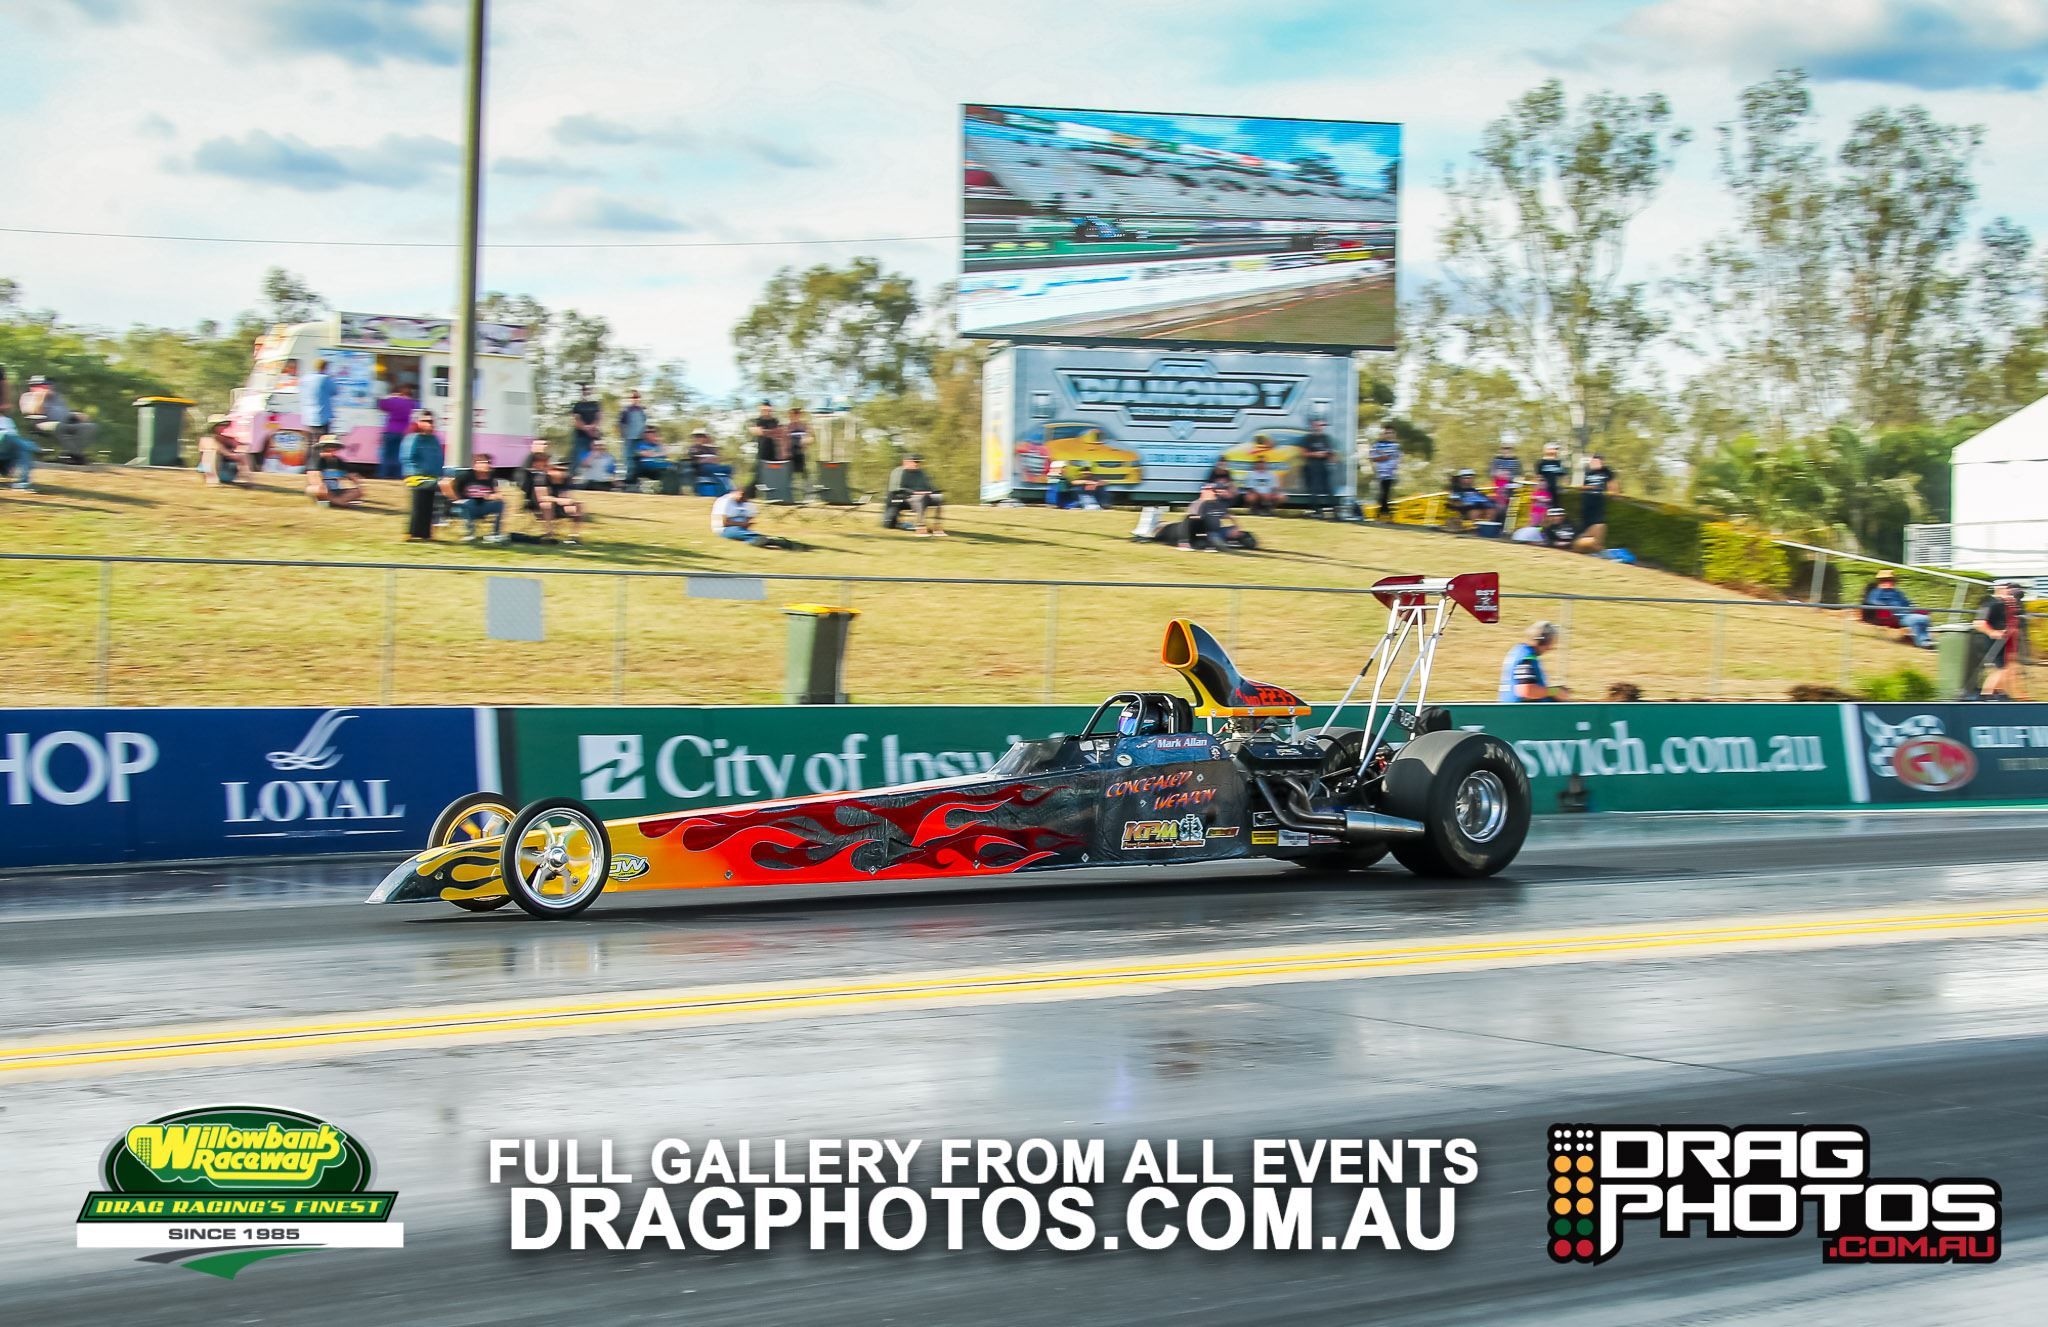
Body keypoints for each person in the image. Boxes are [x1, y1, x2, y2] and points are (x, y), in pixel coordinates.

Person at [19, 375, 97, 464]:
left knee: (90, 427)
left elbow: (64, 411)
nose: (45, 388)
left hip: (65, 423)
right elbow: (32, 412)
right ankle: (77, 456)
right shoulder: (27, 397)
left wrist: (75, 414)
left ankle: (70, 454)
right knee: (59, 427)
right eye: (40, 386)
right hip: (42, 424)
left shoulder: (57, 397)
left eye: (46, 386)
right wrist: (40, 397)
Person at [520, 442, 584, 544]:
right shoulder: (541, 478)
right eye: (558, 469)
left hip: (558, 506)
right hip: (538, 505)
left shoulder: (564, 479)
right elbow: (542, 497)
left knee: (578, 505)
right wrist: (558, 500)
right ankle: (549, 534)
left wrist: (569, 501)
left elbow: (565, 494)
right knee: (547, 505)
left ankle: (574, 536)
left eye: (563, 469)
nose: (561, 471)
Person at [1977, 581, 2027, 699]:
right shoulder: (1990, 603)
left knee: (2008, 669)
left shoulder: (2009, 605)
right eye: (2009, 590)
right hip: (1994, 642)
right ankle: (1987, 696)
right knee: (2001, 670)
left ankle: (1999, 694)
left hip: (2007, 642)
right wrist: (1993, 632)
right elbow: (1979, 623)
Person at [443, 451, 507, 544]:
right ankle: (469, 534)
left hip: (481, 506)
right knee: (469, 502)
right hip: (465, 507)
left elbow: (496, 494)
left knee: (500, 504)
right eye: (483, 463)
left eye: (488, 463)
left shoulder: (490, 479)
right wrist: (456, 499)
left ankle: (495, 534)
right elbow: (445, 483)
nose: (486, 465)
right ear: (475, 465)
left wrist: (494, 496)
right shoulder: (466, 475)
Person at [402, 412, 446, 542]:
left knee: (428, 506)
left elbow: (439, 458)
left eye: (431, 421)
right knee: (419, 505)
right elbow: (407, 458)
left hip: (433, 477)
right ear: (419, 423)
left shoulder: (434, 439)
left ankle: (425, 534)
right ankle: (411, 533)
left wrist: (439, 474)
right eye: (426, 421)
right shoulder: (413, 438)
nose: (429, 424)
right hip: (416, 477)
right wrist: (417, 473)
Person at [711, 483, 798, 548]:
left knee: (745, 533)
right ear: (738, 493)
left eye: (747, 498)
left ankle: (766, 540)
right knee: (739, 531)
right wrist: (742, 524)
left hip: (742, 529)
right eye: (743, 497)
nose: (745, 500)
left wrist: (747, 523)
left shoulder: (746, 502)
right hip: (724, 529)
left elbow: (749, 518)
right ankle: (767, 540)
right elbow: (724, 523)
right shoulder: (724, 501)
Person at [1500, 622, 1569, 702]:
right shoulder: (1526, 657)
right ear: (1543, 641)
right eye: (1551, 643)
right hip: (1524, 709)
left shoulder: (1519, 651)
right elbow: (1526, 690)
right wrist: (1555, 691)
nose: (1550, 648)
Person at [1862, 573, 1933, 649]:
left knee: (1923, 618)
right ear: (1880, 582)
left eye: (1890, 580)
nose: (1888, 582)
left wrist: (1913, 608)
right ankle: (1923, 642)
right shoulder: (1876, 592)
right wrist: (1884, 606)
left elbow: (1907, 603)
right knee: (1919, 619)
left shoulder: (1897, 592)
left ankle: (1922, 639)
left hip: (1906, 614)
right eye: (1885, 580)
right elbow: (1872, 601)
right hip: (1895, 617)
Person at [884, 453, 946, 536]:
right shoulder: (899, 471)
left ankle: (937, 527)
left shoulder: (921, 473)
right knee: (921, 498)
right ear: (906, 462)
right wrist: (915, 493)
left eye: (918, 462)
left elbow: (930, 487)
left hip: (924, 496)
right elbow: (896, 489)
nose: (917, 464)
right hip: (904, 498)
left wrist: (935, 491)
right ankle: (921, 527)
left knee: (939, 497)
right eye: (915, 462)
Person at [305, 437, 364, 507]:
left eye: (334, 447)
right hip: (321, 490)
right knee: (317, 489)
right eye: (328, 447)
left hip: (335, 491)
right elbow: (314, 479)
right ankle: (338, 502)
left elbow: (352, 475)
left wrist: (358, 484)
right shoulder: (315, 460)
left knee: (357, 491)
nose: (331, 449)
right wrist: (324, 490)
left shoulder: (338, 461)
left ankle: (335, 502)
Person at [376, 382, 418, 480]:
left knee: (387, 455)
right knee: (399, 455)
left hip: (390, 430)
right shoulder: (411, 403)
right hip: (403, 432)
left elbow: (381, 404)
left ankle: (384, 474)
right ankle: (398, 475)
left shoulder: (394, 401)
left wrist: (391, 396)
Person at [299, 358, 337, 456]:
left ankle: (309, 463)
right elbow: (335, 391)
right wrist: (332, 379)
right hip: (322, 417)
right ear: (325, 367)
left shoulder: (305, 378)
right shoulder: (325, 379)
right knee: (321, 443)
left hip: (308, 416)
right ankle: (316, 464)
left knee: (310, 443)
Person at [1299, 416, 1335, 518]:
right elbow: (1303, 454)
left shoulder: (1326, 438)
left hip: (1324, 466)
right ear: (1313, 426)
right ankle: (1316, 511)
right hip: (1312, 467)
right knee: (1314, 489)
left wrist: (1330, 456)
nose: (1320, 427)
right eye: (1318, 425)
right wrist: (1316, 454)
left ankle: (1334, 511)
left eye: (1322, 425)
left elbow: (1330, 452)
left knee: (1328, 488)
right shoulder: (1308, 438)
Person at [197, 415, 243, 486]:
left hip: (227, 471)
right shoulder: (206, 440)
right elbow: (203, 463)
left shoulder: (228, 439)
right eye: (222, 424)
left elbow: (237, 454)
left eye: (226, 424)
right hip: (209, 470)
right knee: (210, 451)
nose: (225, 426)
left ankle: (243, 479)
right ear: (214, 427)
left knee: (243, 454)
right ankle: (212, 480)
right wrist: (227, 453)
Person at [1368, 425, 1401, 520]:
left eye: (1391, 433)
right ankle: (1384, 512)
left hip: (1391, 473)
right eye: (1387, 433)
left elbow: (1396, 457)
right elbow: (1373, 457)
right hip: (1381, 472)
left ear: (1394, 434)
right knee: (1383, 492)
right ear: (1382, 434)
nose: (1389, 435)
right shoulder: (1377, 445)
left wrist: (1385, 456)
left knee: (1386, 493)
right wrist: (1383, 457)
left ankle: (1382, 512)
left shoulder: (1396, 446)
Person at [568, 384, 602, 473]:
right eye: (584, 390)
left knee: (596, 457)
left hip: (594, 436)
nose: (586, 391)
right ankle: (574, 476)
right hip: (580, 436)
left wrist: (593, 426)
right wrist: (585, 428)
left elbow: (599, 417)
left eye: (588, 389)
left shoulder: (596, 404)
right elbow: (576, 419)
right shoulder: (577, 405)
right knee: (578, 457)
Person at [1581, 452, 1618, 529]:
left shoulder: (1606, 471)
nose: (1598, 462)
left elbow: (1612, 483)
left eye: (1600, 460)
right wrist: (1590, 487)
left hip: (1599, 498)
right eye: (1595, 460)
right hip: (1587, 498)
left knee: (1598, 521)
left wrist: (1614, 494)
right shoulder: (1588, 472)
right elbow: (1582, 487)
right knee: (1586, 521)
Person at [633, 424, 673, 491]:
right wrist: (659, 454)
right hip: (649, 468)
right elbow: (646, 454)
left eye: (654, 432)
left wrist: (659, 443)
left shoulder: (659, 445)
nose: (652, 434)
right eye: (648, 432)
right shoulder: (641, 444)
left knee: (674, 468)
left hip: (663, 468)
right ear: (644, 434)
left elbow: (666, 453)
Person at [1534, 442, 1566, 524]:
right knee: (1543, 511)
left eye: (1555, 449)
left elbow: (1562, 476)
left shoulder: (1558, 463)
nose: (1554, 451)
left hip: (1556, 491)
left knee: (1555, 511)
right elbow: (1538, 477)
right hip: (1545, 491)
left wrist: (1561, 487)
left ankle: (1554, 525)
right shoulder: (1541, 462)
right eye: (1552, 449)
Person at [1488, 443, 1522, 520]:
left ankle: (1508, 524)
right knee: (1499, 507)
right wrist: (1500, 474)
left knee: (1511, 508)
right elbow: (1492, 473)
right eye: (1504, 448)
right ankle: (1497, 521)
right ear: (1501, 449)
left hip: (1512, 486)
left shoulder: (1516, 460)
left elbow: (1519, 475)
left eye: (1508, 448)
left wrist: (1509, 477)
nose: (1506, 450)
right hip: (1499, 486)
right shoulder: (1497, 459)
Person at [785, 405, 810, 481]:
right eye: (793, 413)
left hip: (801, 455)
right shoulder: (787, 427)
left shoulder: (804, 426)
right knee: (788, 477)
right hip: (790, 457)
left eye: (797, 413)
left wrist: (806, 441)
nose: (795, 416)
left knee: (805, 477)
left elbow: (810, 438)